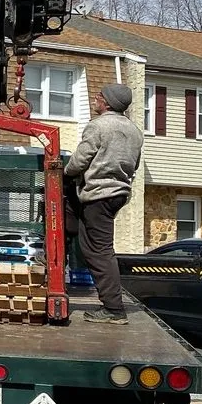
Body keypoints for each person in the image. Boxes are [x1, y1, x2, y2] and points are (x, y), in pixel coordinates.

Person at [63, 83, 143, 324]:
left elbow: (79, 160)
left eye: (98, 97)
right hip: (116, 193)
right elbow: (135, 164)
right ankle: (58, 250)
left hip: (98, 193)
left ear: (107, 103)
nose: (95, 100)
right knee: (76, 220)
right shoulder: (134, 131)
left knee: (99, 251)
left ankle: (113, 309)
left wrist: (64, 171)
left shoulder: (98, 126)